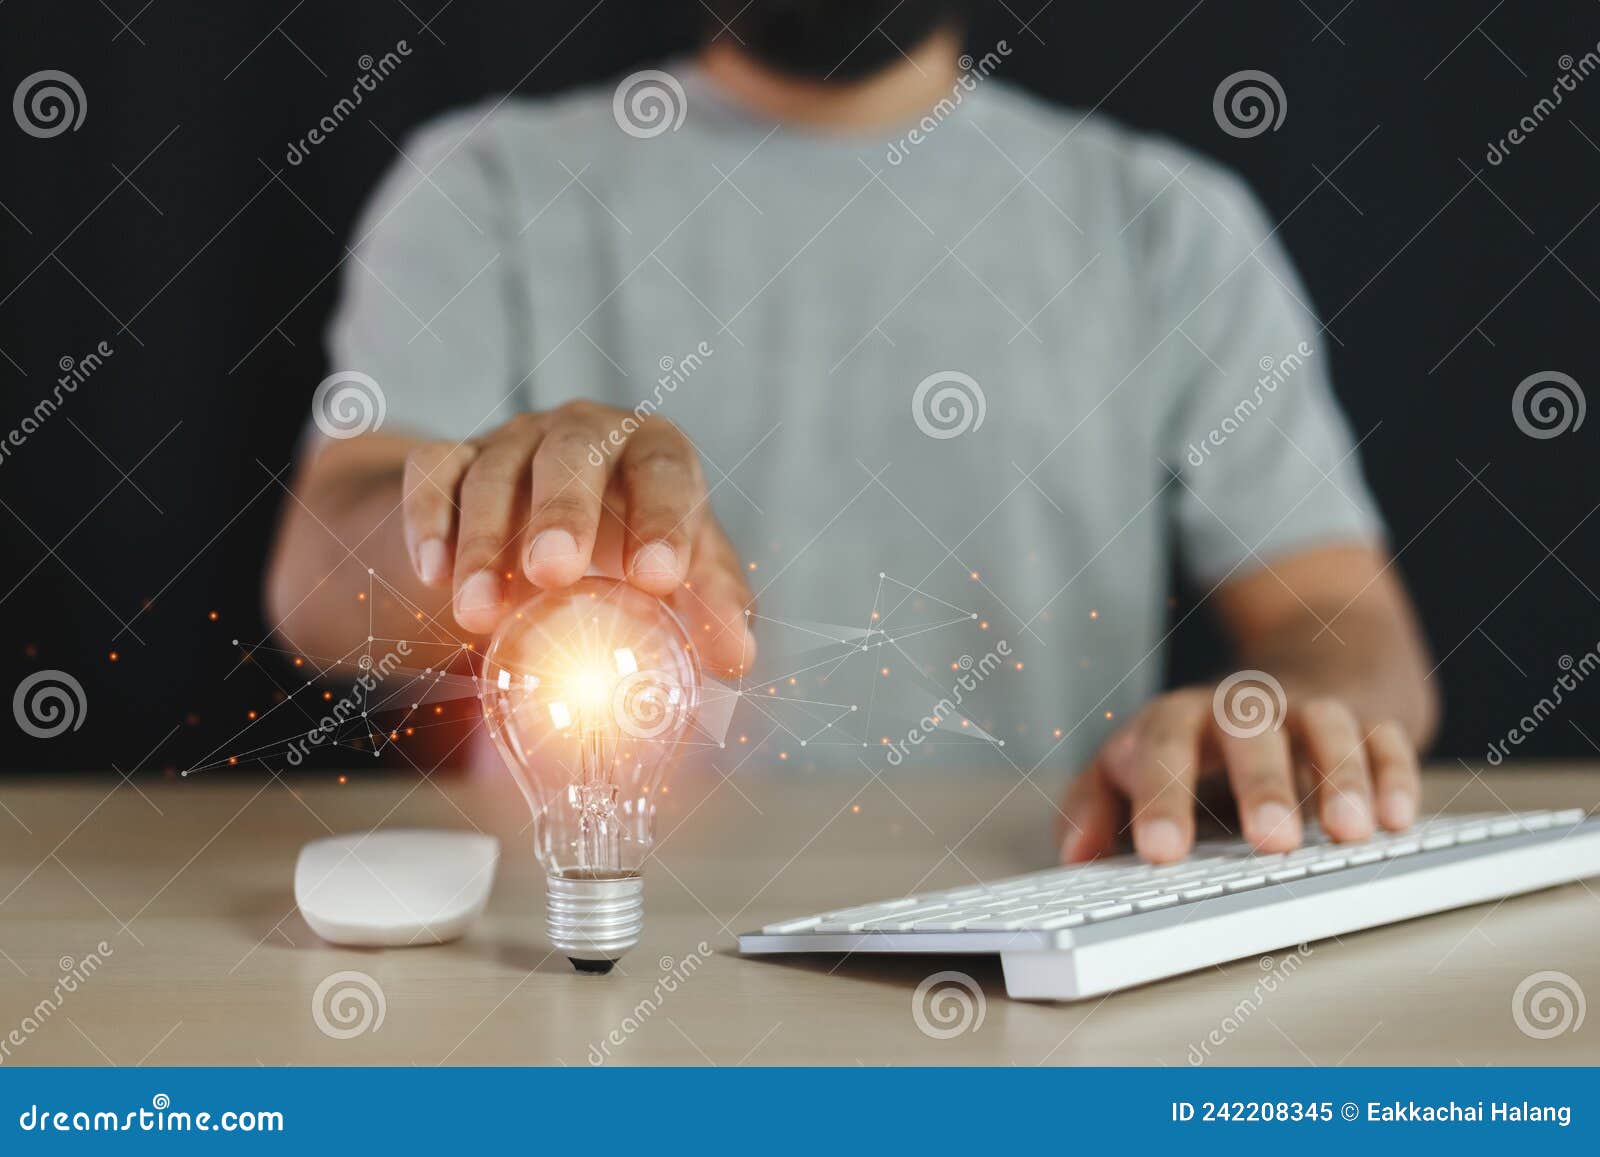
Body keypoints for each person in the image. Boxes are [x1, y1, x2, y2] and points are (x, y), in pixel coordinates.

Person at [266, 0, 1439, 865]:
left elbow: (1351, 633)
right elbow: (321, 579)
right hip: (563, 952)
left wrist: (1271, 720)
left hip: (1032, 936)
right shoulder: (487, 183)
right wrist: (501, 532)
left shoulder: (1165, 222)